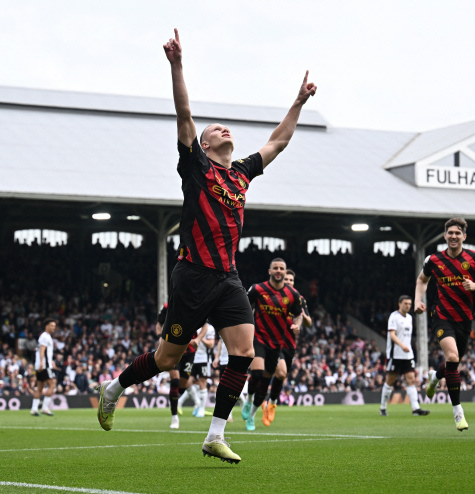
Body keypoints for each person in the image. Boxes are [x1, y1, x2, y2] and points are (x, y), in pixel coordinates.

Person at [95, 28, 316, 464]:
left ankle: (215, 434)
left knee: (245, 352)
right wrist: (176, 65)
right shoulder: (196, 168)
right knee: (166, 358)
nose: (222, 129)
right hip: (193, 274)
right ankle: (115, 387)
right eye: (214, 129)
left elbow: (279, 141)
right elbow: (184, 115)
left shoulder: (243, 173)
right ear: (205, 144)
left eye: (224, 126)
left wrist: (298, 102)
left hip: (229, 278)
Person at [415, 217, 475, 431]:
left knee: (453, 363)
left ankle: (435, 376)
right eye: (450, 233)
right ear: (445, 235)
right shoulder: (434, 259)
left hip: (465, 319)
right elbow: (422, 280)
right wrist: (417, 300)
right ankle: (458, 412)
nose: (453, 236)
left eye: (457, 233)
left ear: (464, 236)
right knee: (452, 357)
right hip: (441, 315)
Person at [242, 258, 303, 431]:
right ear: (269, 271)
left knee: (266, 382)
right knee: (257, 371)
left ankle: (252, 415)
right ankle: (248, 400)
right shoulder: (258, 289)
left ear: (285, 272)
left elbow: (298, 314)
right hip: (259, 338)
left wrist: (297, 324)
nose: (278, 271)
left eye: (281, 268)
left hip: (277, 343)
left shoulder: (292, 295)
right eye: (275, 268)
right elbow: (245, 306)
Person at [263, 269, 312, 426]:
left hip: (290, 344)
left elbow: (309, 323)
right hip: (274, 341)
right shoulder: (274, 297)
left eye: (291, 280)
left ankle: (270, 402)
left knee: (282, 375)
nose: (289, 282)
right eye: (287, 279)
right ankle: (260, 401)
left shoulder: (299, 299)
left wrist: (303, 318)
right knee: (280, 371)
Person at [379, 295, 430, 417]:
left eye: (409, 304)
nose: (408, 306)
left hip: (408, 355)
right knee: (390, 380)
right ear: (399, 304)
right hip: (395, 354)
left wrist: (407, 348)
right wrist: (402, 346)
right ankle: (383, 407)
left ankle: (415, 408)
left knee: (411, 379)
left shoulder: (410, 318)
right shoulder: (394, 317)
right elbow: (392, 335)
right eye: (405, 303)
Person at [155, 304, 201, 430]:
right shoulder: (168, 306)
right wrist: (160, 338)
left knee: (183, 384)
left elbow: (205, 327)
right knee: (175, 381)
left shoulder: (197, 303)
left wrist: (198, 339)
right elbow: (159, 324)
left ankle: (174, 400)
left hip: (190, 351)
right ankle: (174, 417)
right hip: (173, 347)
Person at [31, 318, 56, 416]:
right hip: (44, 365)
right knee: (52, 384)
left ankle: (34, 409)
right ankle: (45, 408)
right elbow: (42, 350)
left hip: (42, 364)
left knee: (40, 387)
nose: (53, 327)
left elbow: (46, 352)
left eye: (54, 326)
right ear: (47, 326)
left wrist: (51, 361)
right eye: (52, 326)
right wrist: (42, 363)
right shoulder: (45, 336)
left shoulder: (45, 336)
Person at [191, 323, 215, 418]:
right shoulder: (192, 325)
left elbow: (211, 344)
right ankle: (197, 402)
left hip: (203, 359)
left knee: (202, 383)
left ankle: (202, 408)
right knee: (187, 383)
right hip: (192, 358)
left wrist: (200, 338)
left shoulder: (209, 328)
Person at [212, 335, 233, 422]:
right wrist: (216, 358)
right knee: (224, 388)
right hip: (223, 361)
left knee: (232, 388)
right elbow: (220, 342)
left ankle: (243, 403)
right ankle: (228, 414)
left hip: (233, 360)